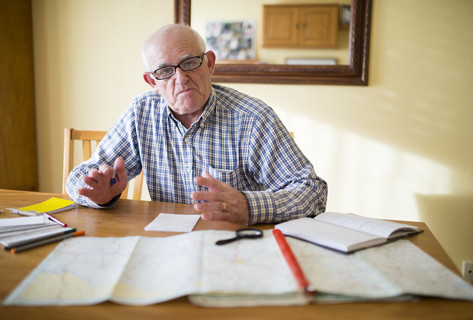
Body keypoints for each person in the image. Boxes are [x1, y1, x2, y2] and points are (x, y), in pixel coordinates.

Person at [65, 24, 327, 225]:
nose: (181, 78)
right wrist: (100, 195)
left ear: (209, 64)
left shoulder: (253, 118)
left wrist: (248, 205)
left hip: (236, 245)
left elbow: (313, 192)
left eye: (189, 63)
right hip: (167, 244)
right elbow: (77, 179)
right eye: (165, 71)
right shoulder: (140, 114)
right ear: (152, 83)